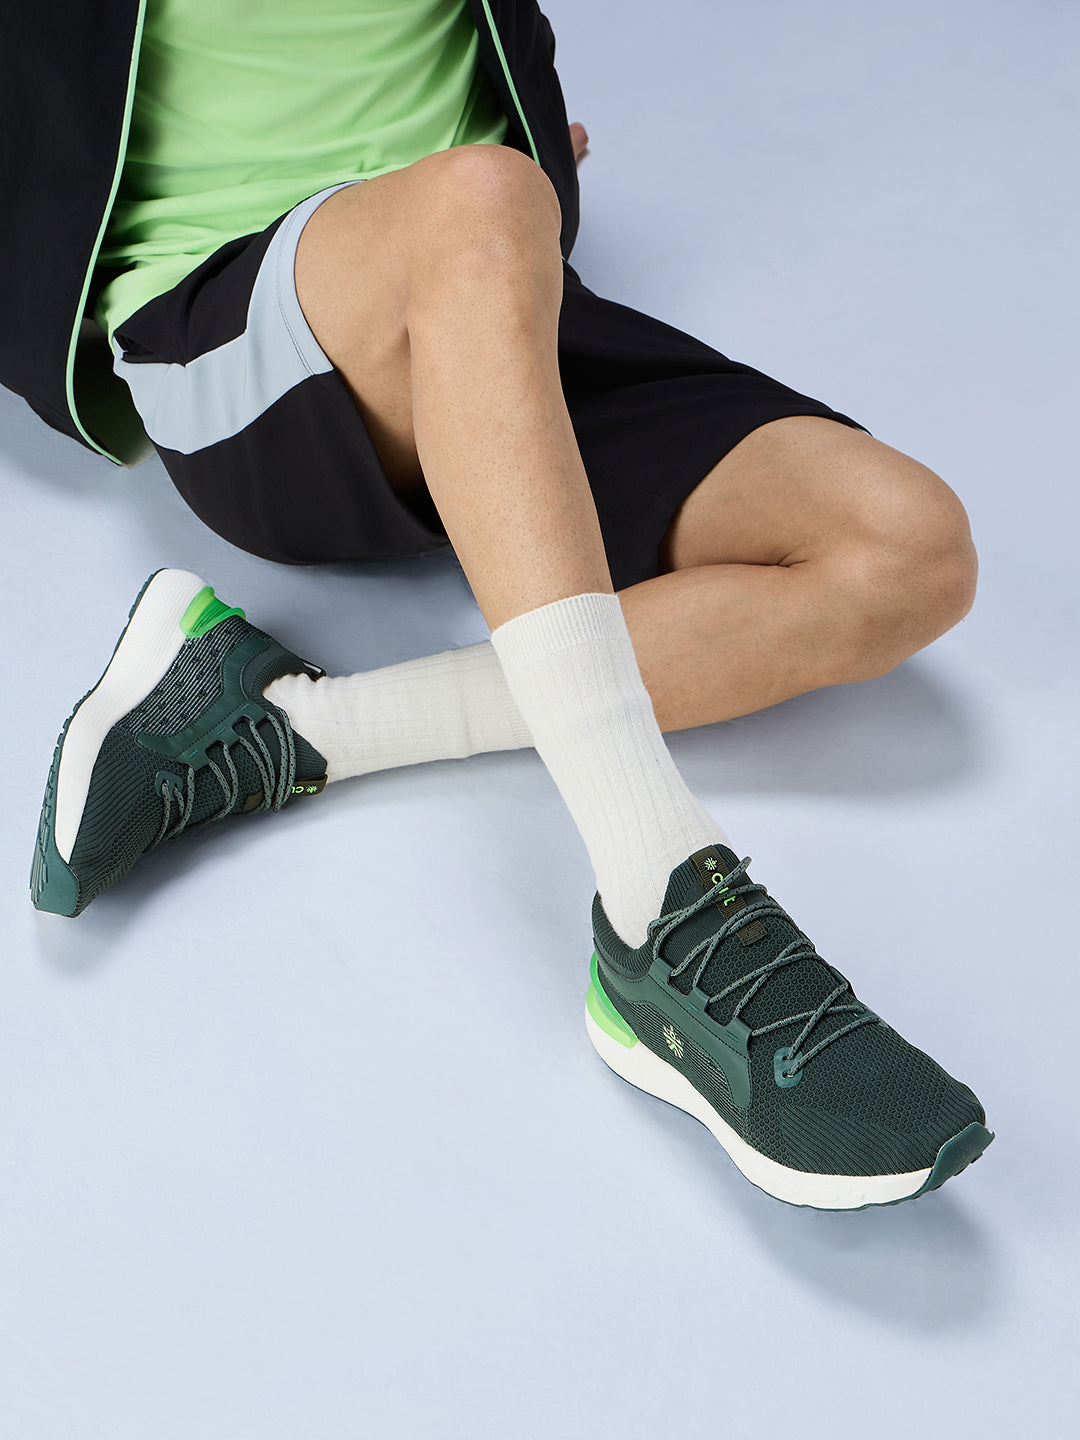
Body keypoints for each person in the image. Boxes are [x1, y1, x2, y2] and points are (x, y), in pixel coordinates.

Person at [16, 0, 991, 1210]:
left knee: (906, 553)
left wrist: (508, 154)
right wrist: (472, 207)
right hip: (243, 335)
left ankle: (299, 726)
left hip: (496, 290)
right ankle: (657, 903)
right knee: (479, 195)